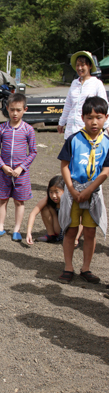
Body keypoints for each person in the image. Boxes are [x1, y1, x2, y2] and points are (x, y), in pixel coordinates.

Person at [57, 96, 109, 284]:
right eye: (89, 117)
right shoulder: (74, 140)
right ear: (82, 117)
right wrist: (71, 189)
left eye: (99, 117)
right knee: (70, 231)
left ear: (106, 117)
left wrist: (89, 190)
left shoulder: (107, 141)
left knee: (89, 232)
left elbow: (106, 169)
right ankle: (68, 266)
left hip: (93, 193)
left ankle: (86, 268)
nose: (94, 122)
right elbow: (64, 165)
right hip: (73, 192)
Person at [0, 93, 37, 242]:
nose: (15, 113)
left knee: (19, 201)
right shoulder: (1, 129)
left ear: (24, 109)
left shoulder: (28, 129)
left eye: (18, 110)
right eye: (11, 110)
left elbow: (33, 151)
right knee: (3, 199)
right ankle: (0, 227)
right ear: (7, 109)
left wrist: (21, 168)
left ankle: (17, 229)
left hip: (21, 174)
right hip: (4, 173)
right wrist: (2, 166)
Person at [58, 50, 108, 139]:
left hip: (88, 130)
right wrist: (61, 122)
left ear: (90, 66)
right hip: (71, 131)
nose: (79, 68)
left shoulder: (97, 83)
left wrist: (107, 126)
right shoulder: (74, 83)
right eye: (77, 65)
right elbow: (68, 105)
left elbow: (104, 106)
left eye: (82, 65)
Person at [26, 175, 83, 246]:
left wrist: (76, 239)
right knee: (45, 208)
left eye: (57, 192)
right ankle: (51, 235)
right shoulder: (48, 199)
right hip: (59, 229)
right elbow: (33, 214)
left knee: (78, 212)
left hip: (71, 229)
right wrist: (28, 233)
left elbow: (81, 219)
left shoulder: (71, 199)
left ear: (65, 190)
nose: (53, 196)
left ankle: (74, 238)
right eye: (51, 192)